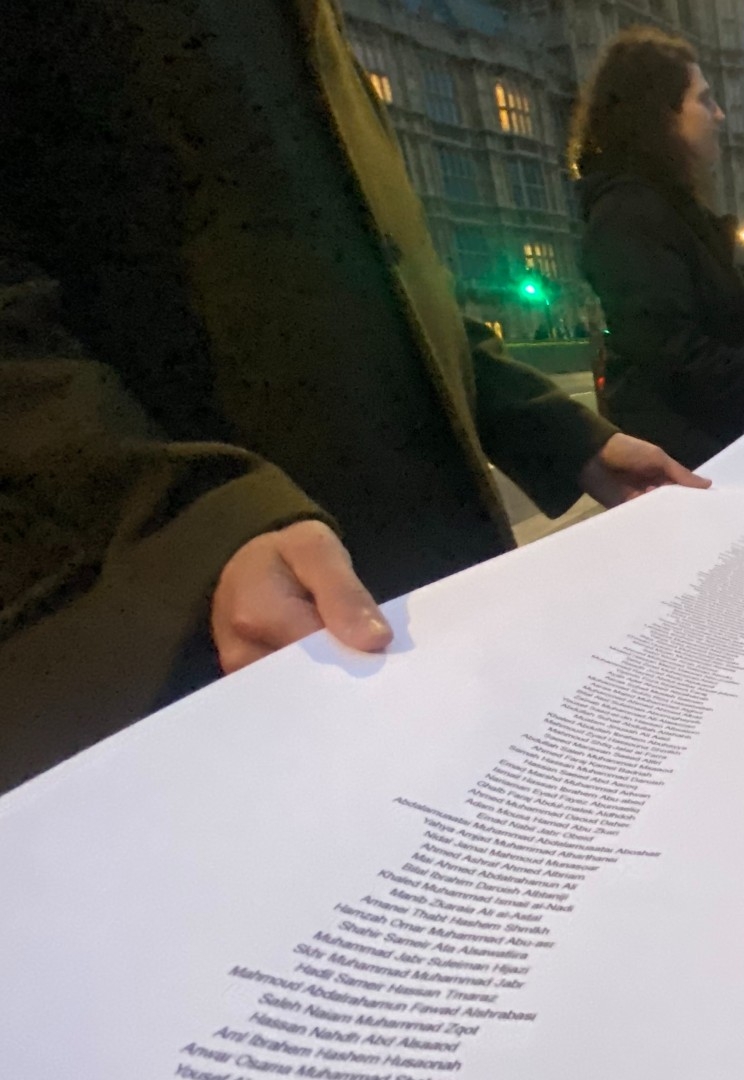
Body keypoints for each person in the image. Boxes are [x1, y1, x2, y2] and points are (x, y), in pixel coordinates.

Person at [0, 1, 706, 793]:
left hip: (421, 603)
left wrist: (565, 434)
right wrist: (186, 520)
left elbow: (378, 276)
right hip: (218, 635)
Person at [574, 27, 744, 469]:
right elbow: (675, 355)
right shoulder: (627, 213)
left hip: (723, 443)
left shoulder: (674, 211)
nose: (720, 114)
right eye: (704, 100)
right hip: (693, 461)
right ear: (660, 112)